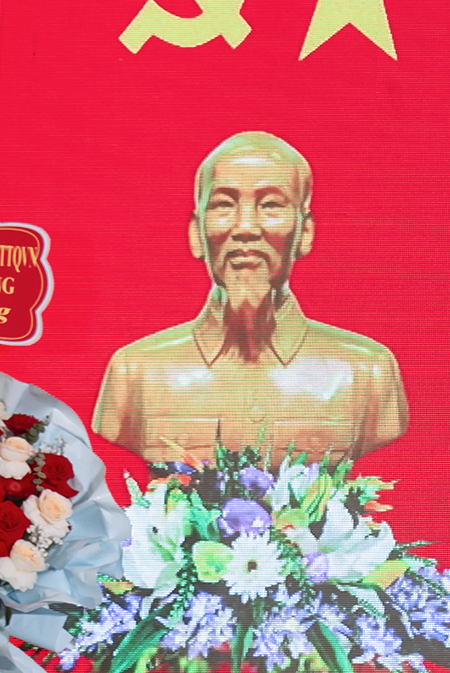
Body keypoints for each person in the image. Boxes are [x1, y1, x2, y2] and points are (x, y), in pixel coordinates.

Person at [92, 130, 409, 465]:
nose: (245, 227)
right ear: (196, 235)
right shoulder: (136, 371)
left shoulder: (366, 371)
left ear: (305, 233)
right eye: (224, 205)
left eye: (271, 204)